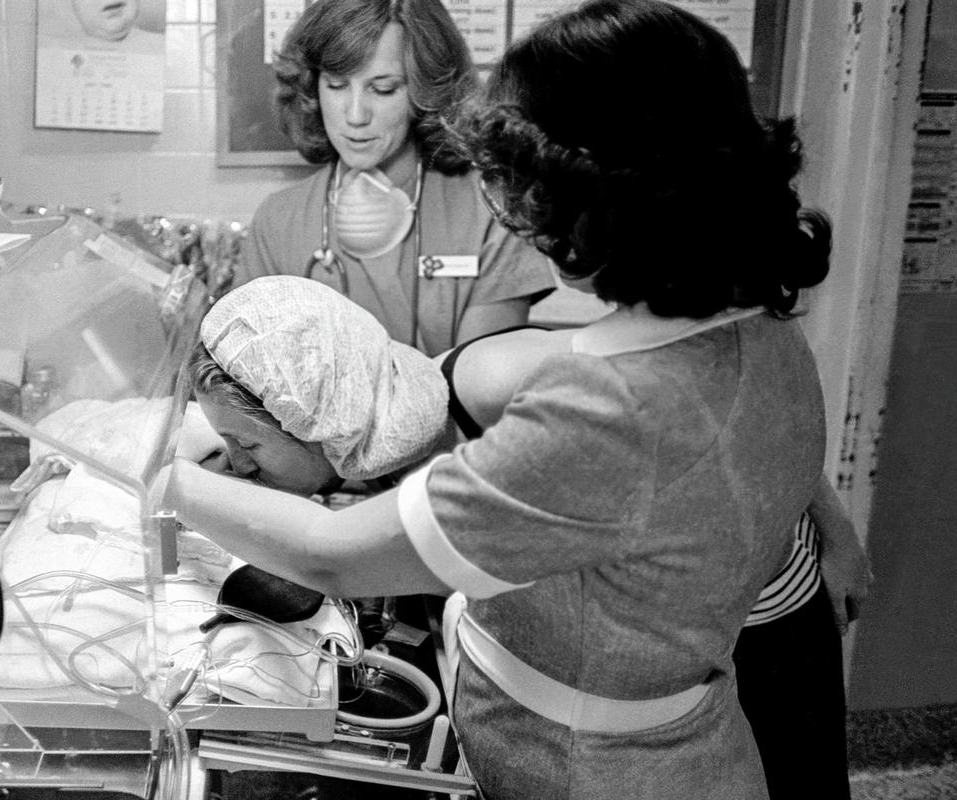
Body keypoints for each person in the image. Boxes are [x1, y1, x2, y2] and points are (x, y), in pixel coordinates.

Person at [169, 2, 834, 797]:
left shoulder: (608, 414)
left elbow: (328, 555)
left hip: (594, 771)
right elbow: (511, 367)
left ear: (601, 190)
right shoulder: (754, 325)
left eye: (529, 186)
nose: (521, 214)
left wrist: (153, 473)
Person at [232, 0, 556, 357]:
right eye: (337, 85)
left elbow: (480, 390)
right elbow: (251, 375)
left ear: (426, 91)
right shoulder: (278, 222)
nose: (355, 115)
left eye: (383, 89)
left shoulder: (492, 212)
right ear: (312, 88)